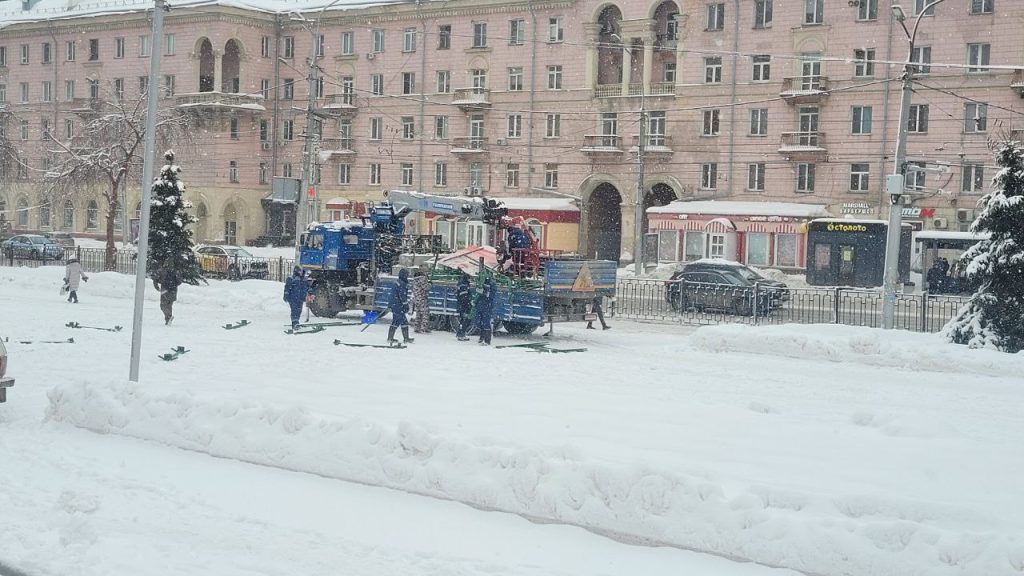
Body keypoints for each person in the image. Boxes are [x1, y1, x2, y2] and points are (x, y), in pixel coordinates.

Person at [387, 268, 414, 345]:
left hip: (394, 304)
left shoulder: (397, 282)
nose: (407, 277)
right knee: (404, 321)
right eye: (406, 275)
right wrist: (405, 305)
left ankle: (390, 337)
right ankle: (406, 338)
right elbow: (402, 296)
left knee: (396, 321)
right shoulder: (402, 284)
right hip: (398, 305)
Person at [474, 277, 497, 346]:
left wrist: (483, 292)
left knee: (485, 323)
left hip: (487, 307)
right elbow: (478, 294)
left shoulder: (492, 285)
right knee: (478, 322)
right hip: (480, 306)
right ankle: (482, 337)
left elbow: (491, 296)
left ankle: (487, 340)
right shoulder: (482, 282)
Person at [455, 273, 474, 341]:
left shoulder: (463, 283)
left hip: (462, 305)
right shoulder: (464, 284)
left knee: (463, 320)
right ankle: (461, 334)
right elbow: (464, 297)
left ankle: (460, 334)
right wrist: (468, 305)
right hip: (464, 305)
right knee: (465, 320)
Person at [411, 269, 432, 334]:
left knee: (418, 314)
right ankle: (423, 329)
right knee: (425, 314)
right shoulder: (422, 279)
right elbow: (426, 287)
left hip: (416, 299)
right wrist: (430, 284)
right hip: (422, 299)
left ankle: (416, 328)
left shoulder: (415, 281)